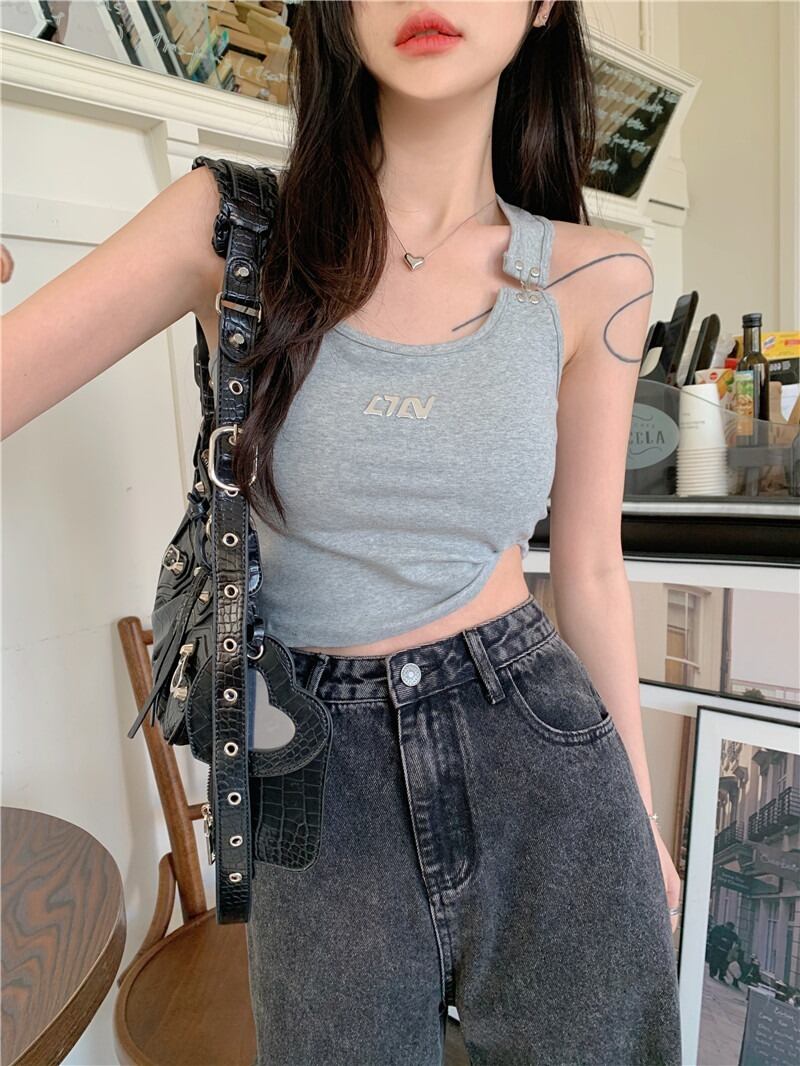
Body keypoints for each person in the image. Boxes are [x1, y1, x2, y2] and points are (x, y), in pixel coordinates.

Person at [1, 2, 682, 1063]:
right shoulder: (227, 229)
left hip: (540, 756)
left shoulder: (600, 279)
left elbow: (590, 566)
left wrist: (639, 816)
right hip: (313, 771)